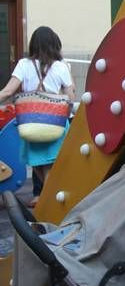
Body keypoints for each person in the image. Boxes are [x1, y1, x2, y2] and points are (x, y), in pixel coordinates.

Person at [0, 27, 75, 197]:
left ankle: (48, 198)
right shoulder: (61, 67)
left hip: (30, 121)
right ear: (55, 44)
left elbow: (7, 91)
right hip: (56, 122)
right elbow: (70, 97)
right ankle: (52, 200)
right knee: (50, 164)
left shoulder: (23, 65)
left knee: (37, 163)